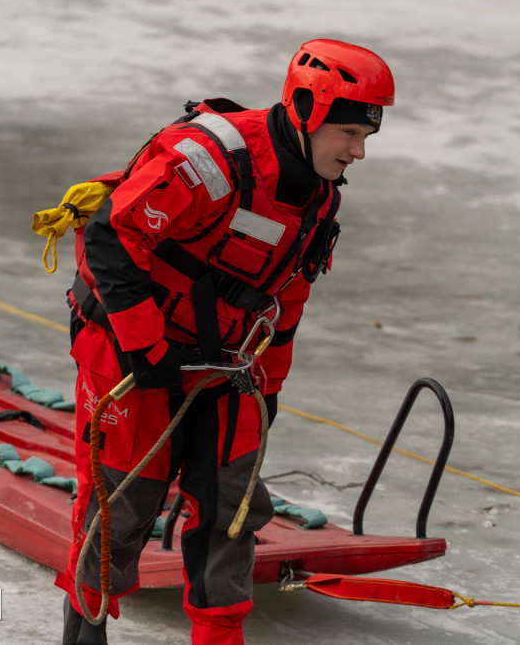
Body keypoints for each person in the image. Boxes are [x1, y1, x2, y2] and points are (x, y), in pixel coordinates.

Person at [54, 38, 394, 645]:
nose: (359, 151)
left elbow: (286, 302)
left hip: (229, 363)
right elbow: (112, 236)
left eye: (367, 136)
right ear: (307, 110)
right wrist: (146, 348)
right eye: (349, 133)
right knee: (123, 502)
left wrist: (271, 391)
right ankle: (86, 626)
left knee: (232, 509)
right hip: (133, 352)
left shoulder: (317, 197)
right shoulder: (209, 161)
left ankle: (219, 637)